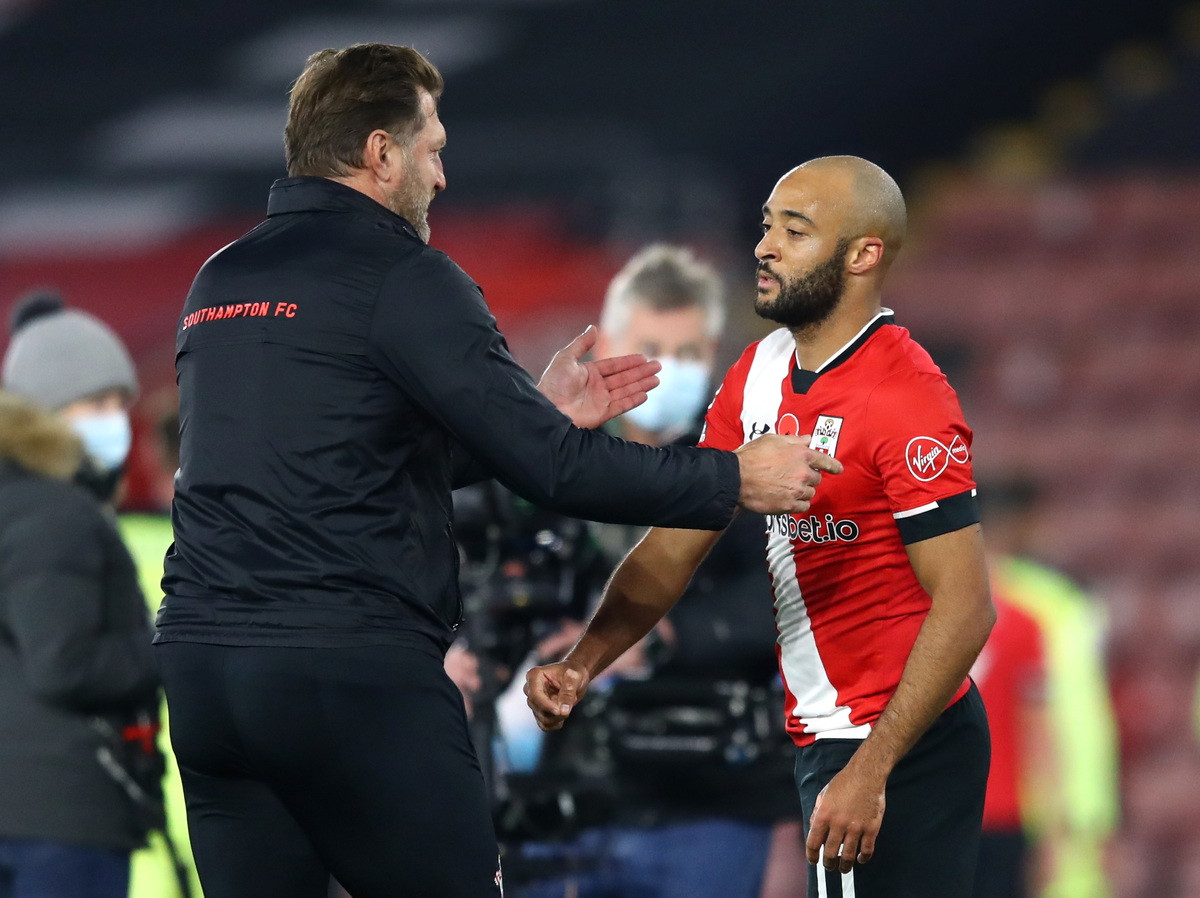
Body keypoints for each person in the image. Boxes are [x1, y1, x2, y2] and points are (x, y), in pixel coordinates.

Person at [153, 44, 839, 898]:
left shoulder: (219, 281)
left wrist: (531, 415)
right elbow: (559, 474)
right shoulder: (405, 275)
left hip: (205, 676)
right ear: (380, 153)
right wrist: (731, 478)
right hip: (348, 668)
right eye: (433, 148)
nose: (441, 176)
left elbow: (351, 464)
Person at [527, 156, 996, 898]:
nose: (765, 247)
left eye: (795, 231)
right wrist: (584, 663)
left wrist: (870, 768)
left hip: (894, 742)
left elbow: (967, 605)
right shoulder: (758, 370)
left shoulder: (908, 396)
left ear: (863, 255)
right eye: (767, 225)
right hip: (831, 737)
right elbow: (675, 544)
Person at [510, 244, 802, 898]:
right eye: (649, 347)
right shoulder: (545, 461)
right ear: (608, 344)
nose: (669, 368)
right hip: (559, 790)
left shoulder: (757, 459)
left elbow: (791, 595)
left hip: (708, 797)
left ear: (714, 350)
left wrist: (657, 638)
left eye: (688, 352)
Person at [0, 295, 161, 898]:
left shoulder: (19, 503)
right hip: (60, 810)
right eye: (94, 404)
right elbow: (64, 663)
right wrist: (168, 650)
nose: (114, 420)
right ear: (41, 416)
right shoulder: (56, 513)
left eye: (120, 403)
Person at [982, 480, 1119, 898]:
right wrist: (1083, 805)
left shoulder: (1038, 599)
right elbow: (1071, 713)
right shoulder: (1050, 603)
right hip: (1048, 805)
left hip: (1026, 803)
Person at [971, 590, 1048, 898]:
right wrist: (1048, 830)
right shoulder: (1022, 623)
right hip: (1004, 813)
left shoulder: (916, 619)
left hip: (939, 812)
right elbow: (1037, 733)